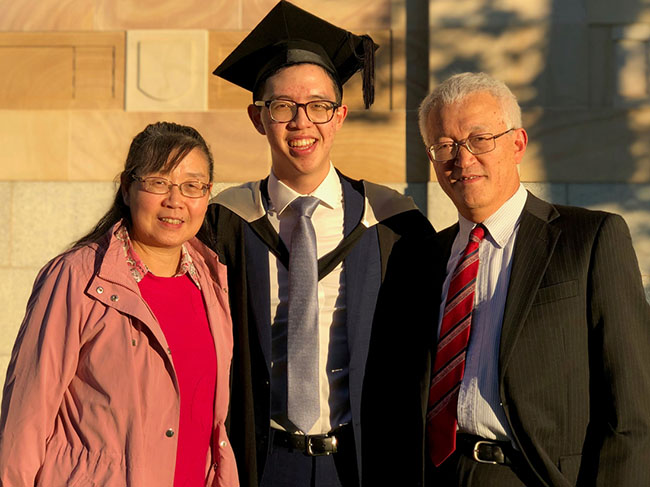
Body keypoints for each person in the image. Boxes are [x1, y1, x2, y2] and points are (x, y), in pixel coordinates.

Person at [201, 2, 434, 486]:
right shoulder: (221, 224)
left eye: (319, 106)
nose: (302, 122)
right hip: (259, 461)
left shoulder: (394, 225)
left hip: (363, 462)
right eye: (282, 106)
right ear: (257, 117)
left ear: (340, 115)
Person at [416, 72, 650, 486]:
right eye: (445, 146)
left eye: (479, 139)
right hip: (441, 473)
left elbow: (634, 409)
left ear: (517, 144)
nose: (462, 158)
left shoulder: (590, 239)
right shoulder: (425, 257)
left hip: (538, 476)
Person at [0, 122, 238, 486]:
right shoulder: (77, 277)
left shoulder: (212, 280)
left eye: (193, 186)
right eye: (159, 183)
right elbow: (26, 417)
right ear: (127, 188)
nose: (176, 201)